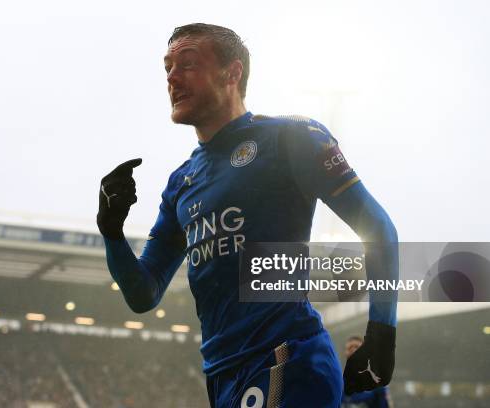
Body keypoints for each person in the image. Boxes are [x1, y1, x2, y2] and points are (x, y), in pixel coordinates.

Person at [97, 23, 398, 407]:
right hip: (223, 377)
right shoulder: (181, 184)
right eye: (168, 67)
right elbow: (143, 293)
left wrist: (381, 334)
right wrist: (111, 231)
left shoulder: (291, 138)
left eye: (187, 64)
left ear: (232, 72)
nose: (172, 77)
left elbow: (377, 226)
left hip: (286, 359)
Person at [341, 336, 394, 408]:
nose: (353, 350)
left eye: (357, 347)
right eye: (350, 348)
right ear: (345, 352)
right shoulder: (338, 382)